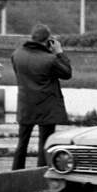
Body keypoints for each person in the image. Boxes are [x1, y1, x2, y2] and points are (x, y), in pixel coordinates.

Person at [11, 24, 72, 170]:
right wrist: (59, 51)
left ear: (32, 37)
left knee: (22, 144)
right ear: (48, 40)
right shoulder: (50, 59)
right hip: (46, 107)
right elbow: (67, 73)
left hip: (25, 104)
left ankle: (15, 175)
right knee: (44, 144)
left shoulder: (17, 54)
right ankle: (40, 178)